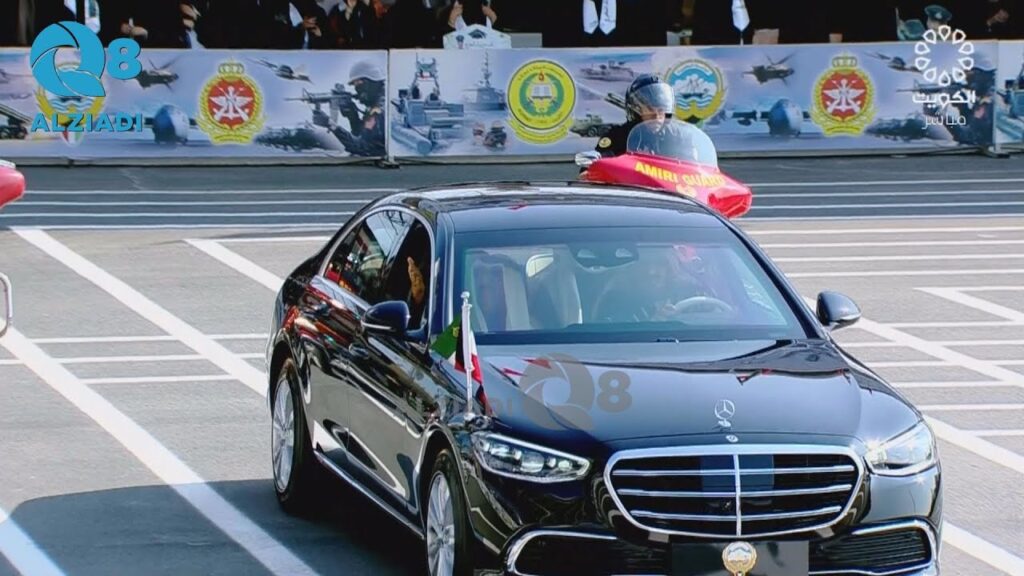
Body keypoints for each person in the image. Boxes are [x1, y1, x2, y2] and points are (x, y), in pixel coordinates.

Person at [313, 60, 386, 157]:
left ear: (370, 83)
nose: (357, 90)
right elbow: (362, 136)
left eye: (359, 84)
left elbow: (362, 147)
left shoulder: (377, 111)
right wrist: (353, 118)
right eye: (355, 85)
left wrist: (331, 124)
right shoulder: (378, 106)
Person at [595, 74, 674, 158]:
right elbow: (599, 162)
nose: (656, 117)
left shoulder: (675, 137)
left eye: (661, 110)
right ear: (636, 111)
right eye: (650, 110)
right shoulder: (617, 137)